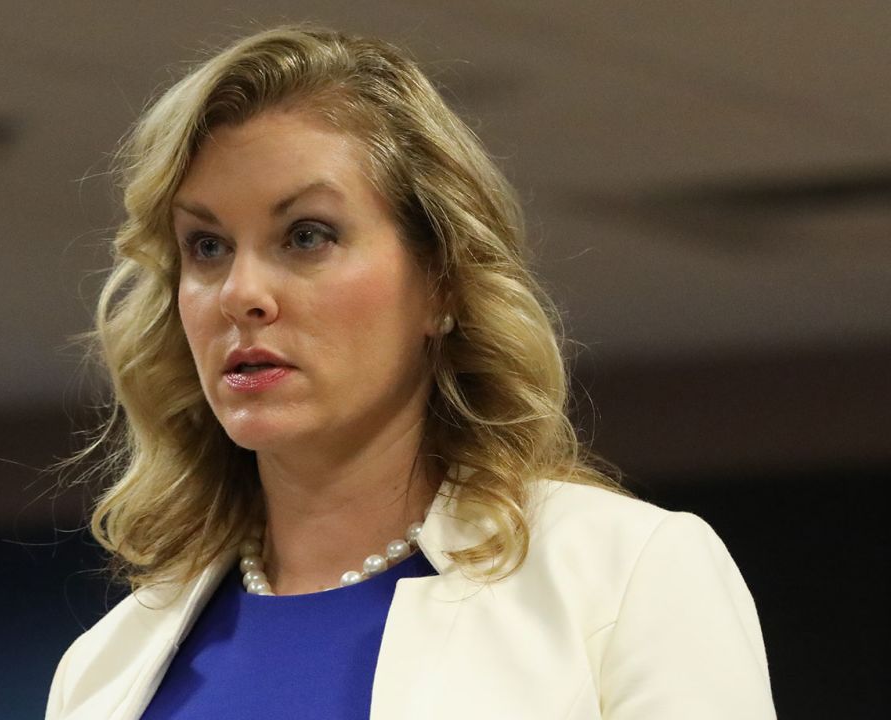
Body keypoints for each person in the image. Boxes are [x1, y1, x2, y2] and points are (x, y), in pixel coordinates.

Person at [46, 25, 774, 719]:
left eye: (307, 236)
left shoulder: (624, 576)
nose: (241, 293)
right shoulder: (105, 666)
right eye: (206, 246)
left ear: (441, 282)